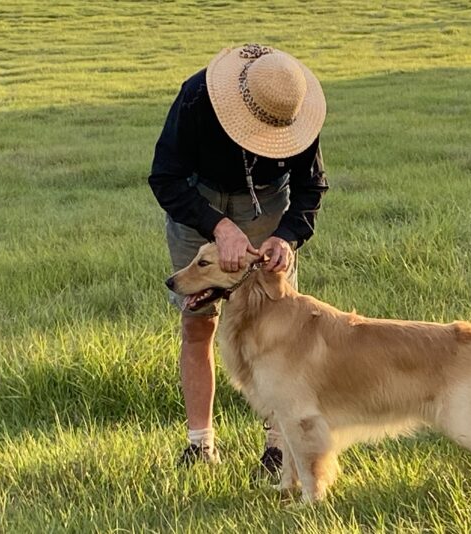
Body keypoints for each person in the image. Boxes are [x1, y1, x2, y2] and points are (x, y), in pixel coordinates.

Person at [148, 44, 328, 472]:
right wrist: (217, 226)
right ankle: (200, 445)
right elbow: (165, 177)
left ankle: (278, 446)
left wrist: (285, 237)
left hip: (267, 203)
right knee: (198, 320)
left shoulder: (294, 102)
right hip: (199, 198)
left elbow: (310, 188)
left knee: (279, 325)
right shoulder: (196, 99)